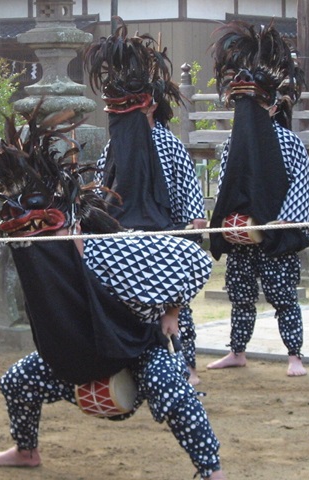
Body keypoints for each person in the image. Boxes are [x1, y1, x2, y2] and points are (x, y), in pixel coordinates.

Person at [0, 108, 227, 479]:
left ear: (73, 223)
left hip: (136, 350)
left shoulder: (112, 249)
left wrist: (171, 311)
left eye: (46, 227)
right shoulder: (30, 256)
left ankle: (210, 471)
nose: (36, 237)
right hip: (76, 353)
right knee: (16, 382)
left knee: (174, 392)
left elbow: (194, 260)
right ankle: (26, 450)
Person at [85, 19, 207, 385]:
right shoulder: (114, 145)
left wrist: (194, 223)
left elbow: (187, 189)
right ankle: (126, 362)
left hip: (164, 229)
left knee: (172, 301)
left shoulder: (170, 145)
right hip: (121, 230)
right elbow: (104, 185)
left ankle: (185, 363)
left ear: (151, 105)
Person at [207, 21, 309, 377]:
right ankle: (237, 350)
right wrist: (225, 221)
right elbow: (225, 184)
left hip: (276, 233)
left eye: (255, 102)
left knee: (283, 296)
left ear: (273, 104)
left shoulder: (288, 142)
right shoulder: (231, 144)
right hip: (242, 235)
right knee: (240, 295)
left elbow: (303, 183)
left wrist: (284, 219)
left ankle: (295, 355)